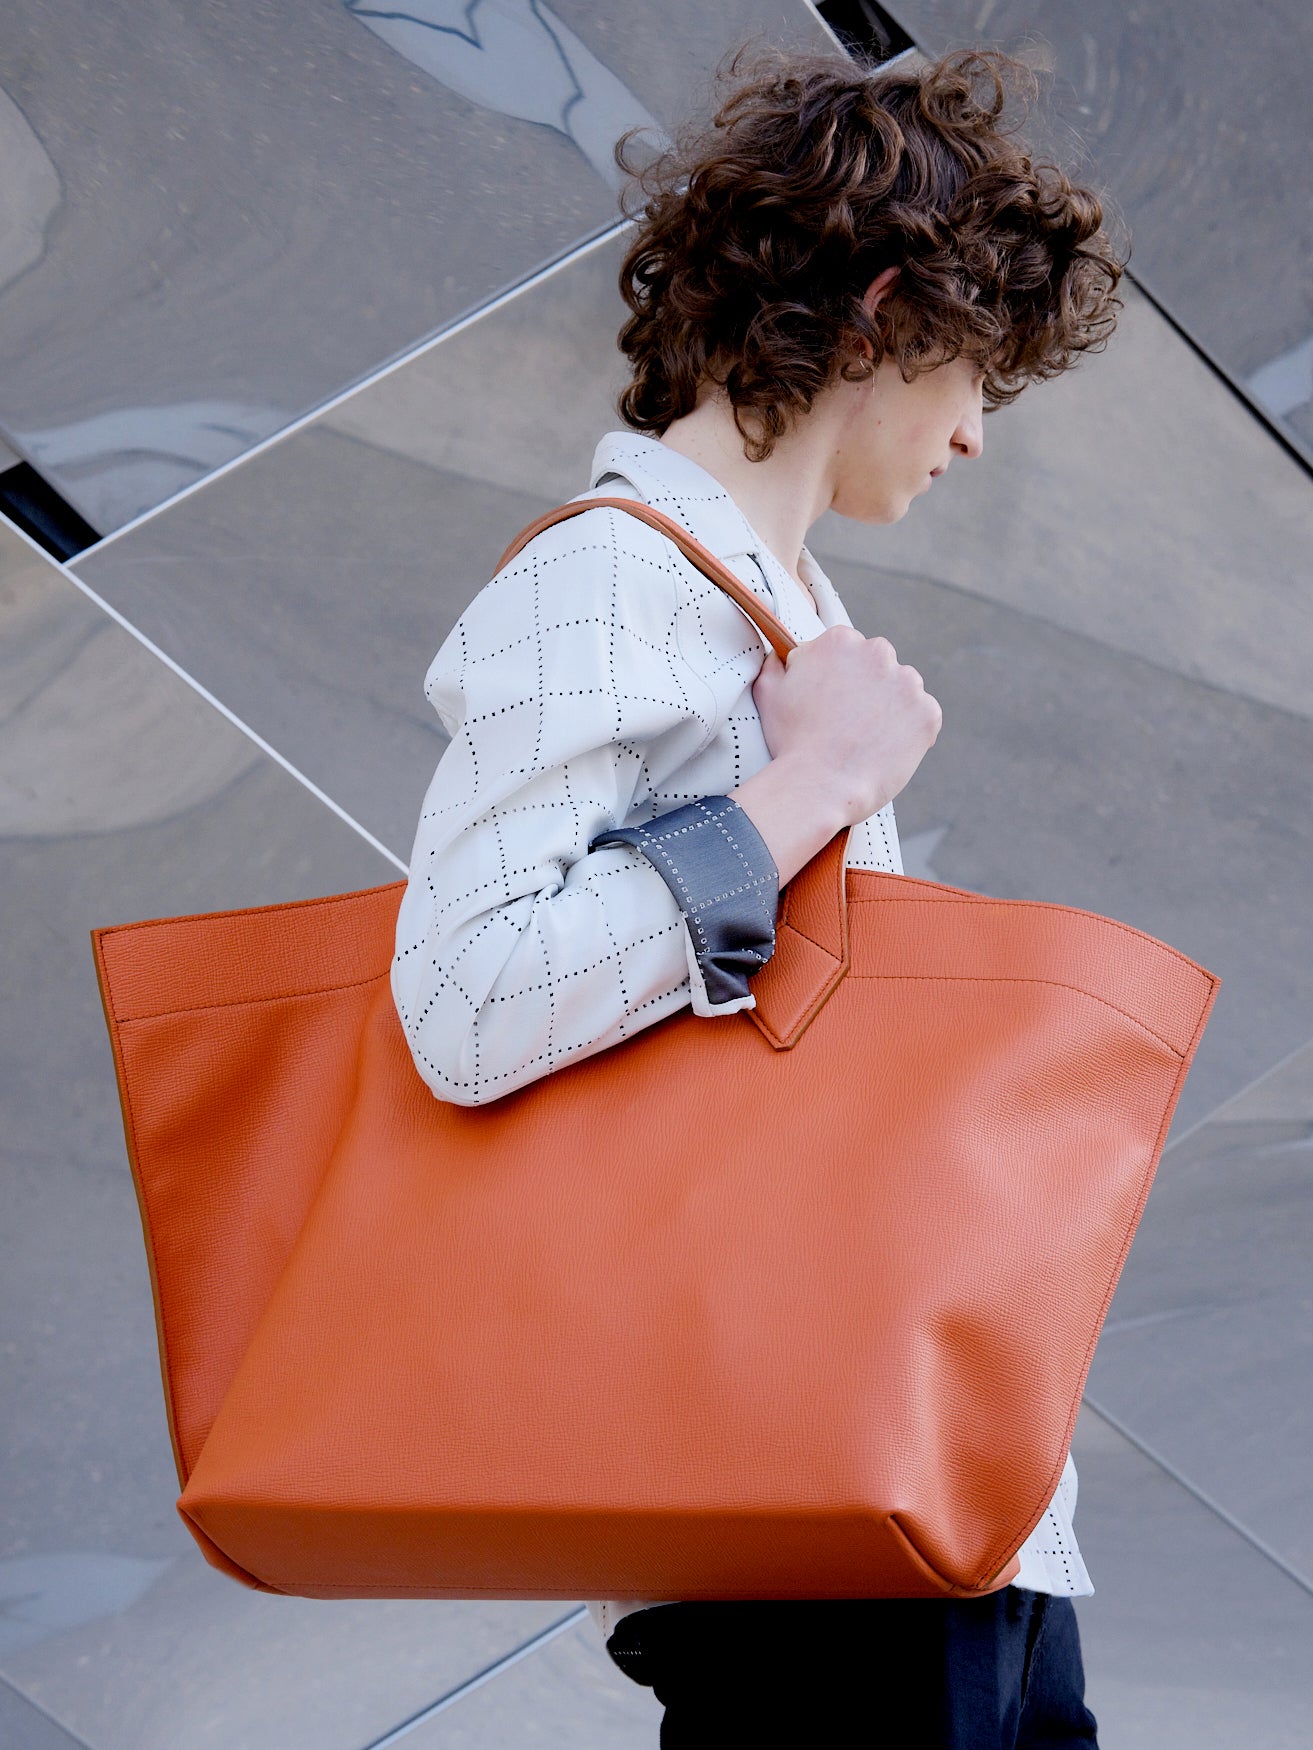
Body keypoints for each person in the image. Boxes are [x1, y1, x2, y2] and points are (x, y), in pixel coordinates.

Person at [392, 40, 1124, 1749]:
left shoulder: (776, 613)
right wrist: (804, 792)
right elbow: (470, 998)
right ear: (880, 315)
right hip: (804, 1516)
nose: (973, 434)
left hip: (952, 1509)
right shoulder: (604, 580)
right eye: (978, 373)